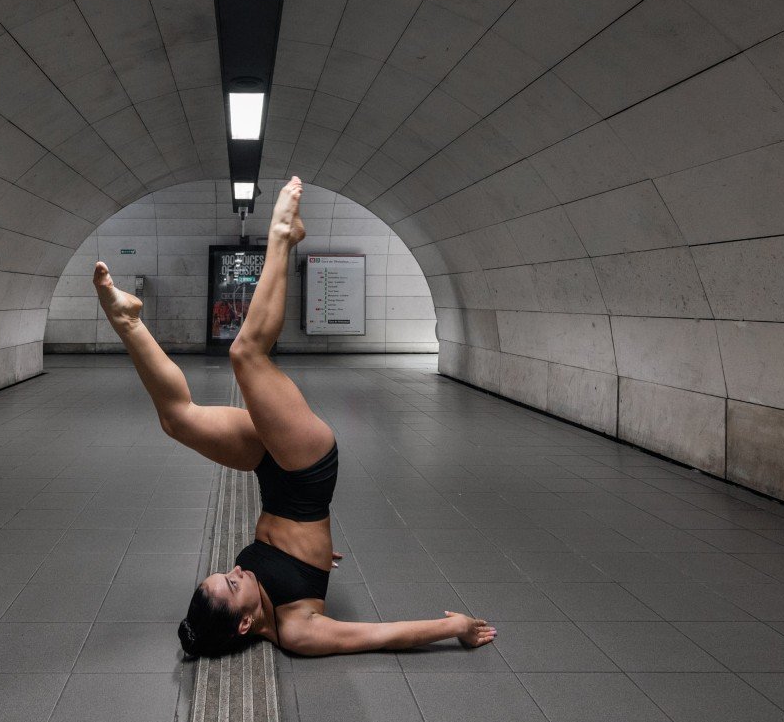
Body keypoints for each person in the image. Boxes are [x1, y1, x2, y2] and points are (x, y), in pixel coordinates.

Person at [93, 175, 497, 658]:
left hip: (270, 469)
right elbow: (382, 634)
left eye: (224, 572)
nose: (235, 570)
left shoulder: (249, 587)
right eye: (232, 583)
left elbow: (277, 557)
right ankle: (283, 236)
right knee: (246, 355)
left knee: (177, 421)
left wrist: (312, 554)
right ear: (246, 623)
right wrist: (455, 627)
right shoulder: (299, 632)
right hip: (306, 475)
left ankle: (128, 321)